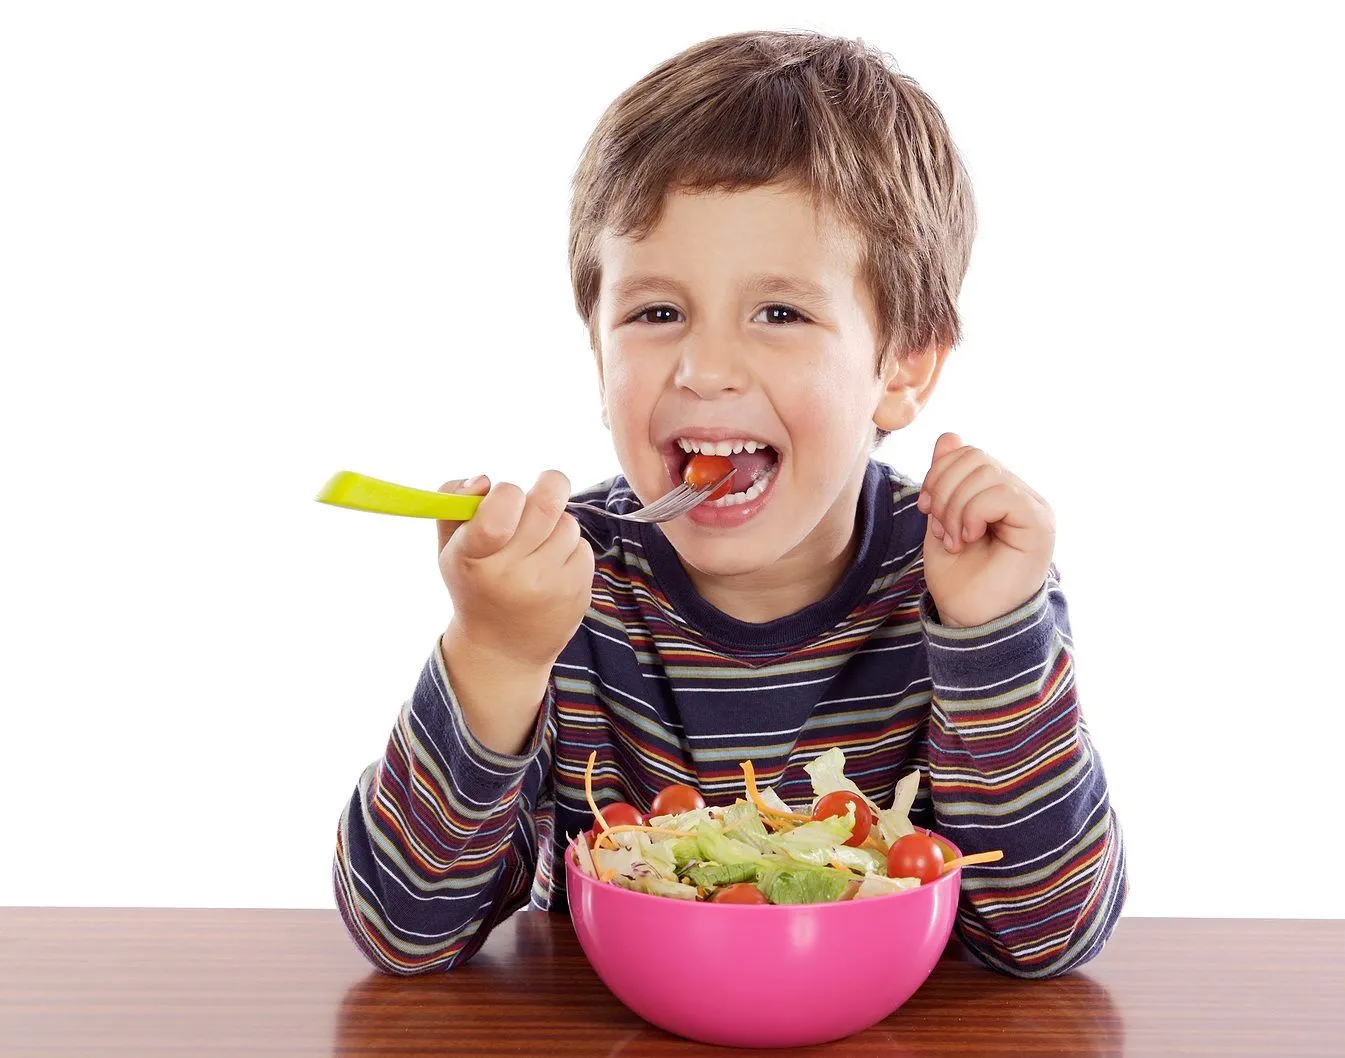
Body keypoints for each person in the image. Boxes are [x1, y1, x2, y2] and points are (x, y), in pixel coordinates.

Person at [334, 29, 1125, 979]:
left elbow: (1049, 939)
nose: (705, 370)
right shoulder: (558, 590)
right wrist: (497, 653)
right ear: (597, 353)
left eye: (781, 313)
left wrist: (990, 632)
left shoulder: (968, 576)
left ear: (904, 367)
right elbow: (403, 933)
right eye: (656, 313)